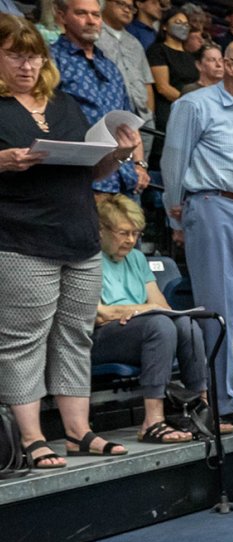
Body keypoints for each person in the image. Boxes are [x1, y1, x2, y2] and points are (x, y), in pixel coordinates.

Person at [3, 11, 142, 468]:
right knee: (23, 342)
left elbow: (92, 168)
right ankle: (30, 436)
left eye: (34, 57)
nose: (28, 67)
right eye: (15, 57)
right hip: (23, 239)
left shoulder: (64, 105)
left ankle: (79, 432)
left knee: (75, 337)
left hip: (79, 235)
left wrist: (116, 155)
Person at [161, 38, 233, 427]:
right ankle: (225, 401)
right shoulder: (193, 106)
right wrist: (177, 220)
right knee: (219, 308)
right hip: (211, 205)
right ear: (227, 66)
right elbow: (173, 164)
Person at [91, 195, 213, 444]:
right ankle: (152, 421)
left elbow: (161, 305)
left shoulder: (136, 258)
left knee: (186, 324)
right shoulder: (89, 259)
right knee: (159, 325)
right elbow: (99, 313)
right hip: (102, 337)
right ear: (101, 230)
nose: (131, 240)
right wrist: (142, 310)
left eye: (136, 234)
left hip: (138, 328)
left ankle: (202, 410)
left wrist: (136, 311)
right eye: (124, 233)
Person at [51, 0, 147, 196]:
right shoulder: (51, 60)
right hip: (79, 178)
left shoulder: (110, 67)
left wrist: (139, 164)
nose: (91, 21)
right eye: (81, 13)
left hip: (124, 179)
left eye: (96, 15)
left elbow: (128, 121)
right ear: (62, 17)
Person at [96, 0, 154, 160]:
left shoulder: (135, 43)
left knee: (141, 168)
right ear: (104, 4)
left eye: (131, 7)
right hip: (111, 112)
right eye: (121, 4)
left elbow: (147, 81)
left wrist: (149, 113)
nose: (127, 10)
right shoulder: (95, 35)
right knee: (111, 163)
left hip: (142, 115)